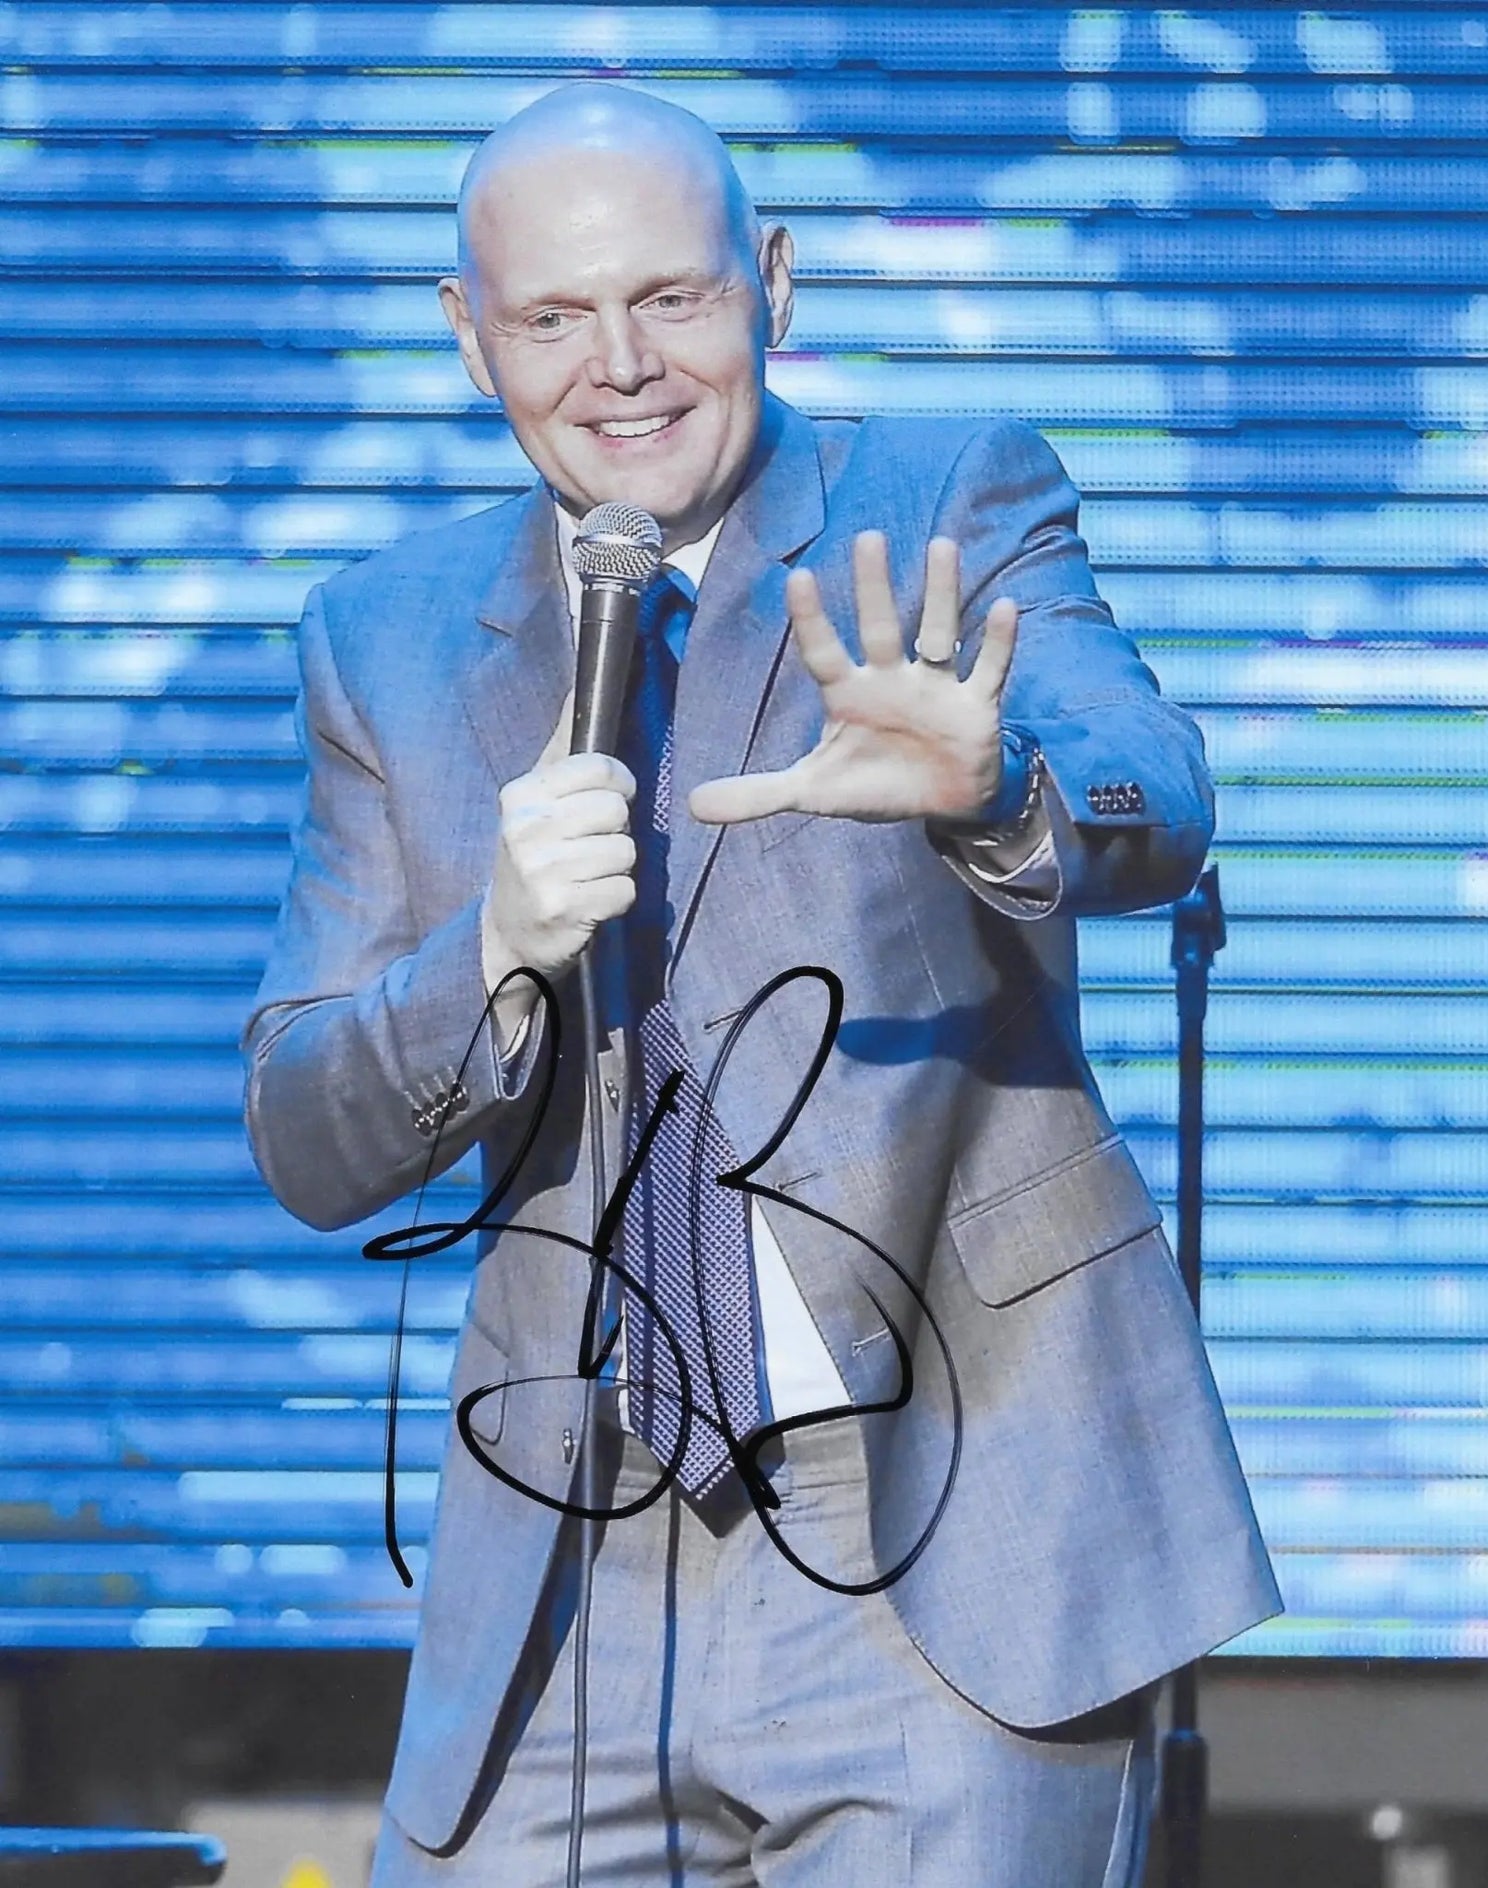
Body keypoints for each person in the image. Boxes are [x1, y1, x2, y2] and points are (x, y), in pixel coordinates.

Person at [242, 81, 1281, 1888]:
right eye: (554, 317)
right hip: (567, 1551)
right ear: (470, 337)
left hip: (945, 1517)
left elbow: (1155, 796)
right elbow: (305, 1128)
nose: (620, 367)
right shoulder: (382, 636)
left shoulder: (939, 497)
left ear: (774, 283)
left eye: (674, 298)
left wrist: (998, 789)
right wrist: (486, 953)